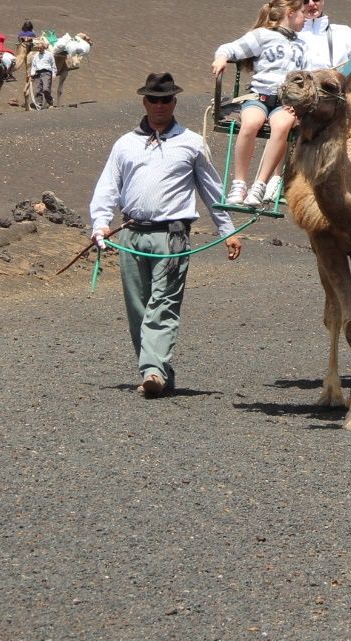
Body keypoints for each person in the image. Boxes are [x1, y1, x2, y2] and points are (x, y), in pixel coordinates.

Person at [87, 71, 240, 399]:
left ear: (174, 102)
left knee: (163, 303)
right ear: (144, 101)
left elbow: (212, 191)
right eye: (153, 99)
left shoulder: (192, 142)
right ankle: (158, 368)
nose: (159, 105)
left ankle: (152, 370)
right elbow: (108, 187)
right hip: (130, 235)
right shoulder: (125, 144)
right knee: (138, 307)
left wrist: (227, 230)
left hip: (171, 237)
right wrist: (100, 223)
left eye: (166, 99)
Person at [210, 0, 308, 208]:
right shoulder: (263, 35)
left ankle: (260, 184)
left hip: (285, 103)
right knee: (251, 123)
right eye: (302, 13)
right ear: (290, 13)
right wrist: (221, 58)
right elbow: (230, 48)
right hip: (259, 96)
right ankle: (239, 183)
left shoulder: (303, 44)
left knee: (282, 126)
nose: (305, 17)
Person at [292, 0, 351, 71]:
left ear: (322, 1)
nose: (311, 3)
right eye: (305, 0)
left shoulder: (344, 33)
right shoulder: (287, 36)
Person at [29, 38, 57, 109]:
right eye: (38, 48)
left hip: (46, 73)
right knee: (38, 90)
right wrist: (32, 74)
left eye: (40, 48)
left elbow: (53, 64)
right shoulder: (36, 56)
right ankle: (39, 104)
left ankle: (50, 102)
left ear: (44, 48)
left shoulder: (49, 55)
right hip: (38, 74)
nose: (39, 50)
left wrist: (54, 74)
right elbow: (34, 66)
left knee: (46, 89)